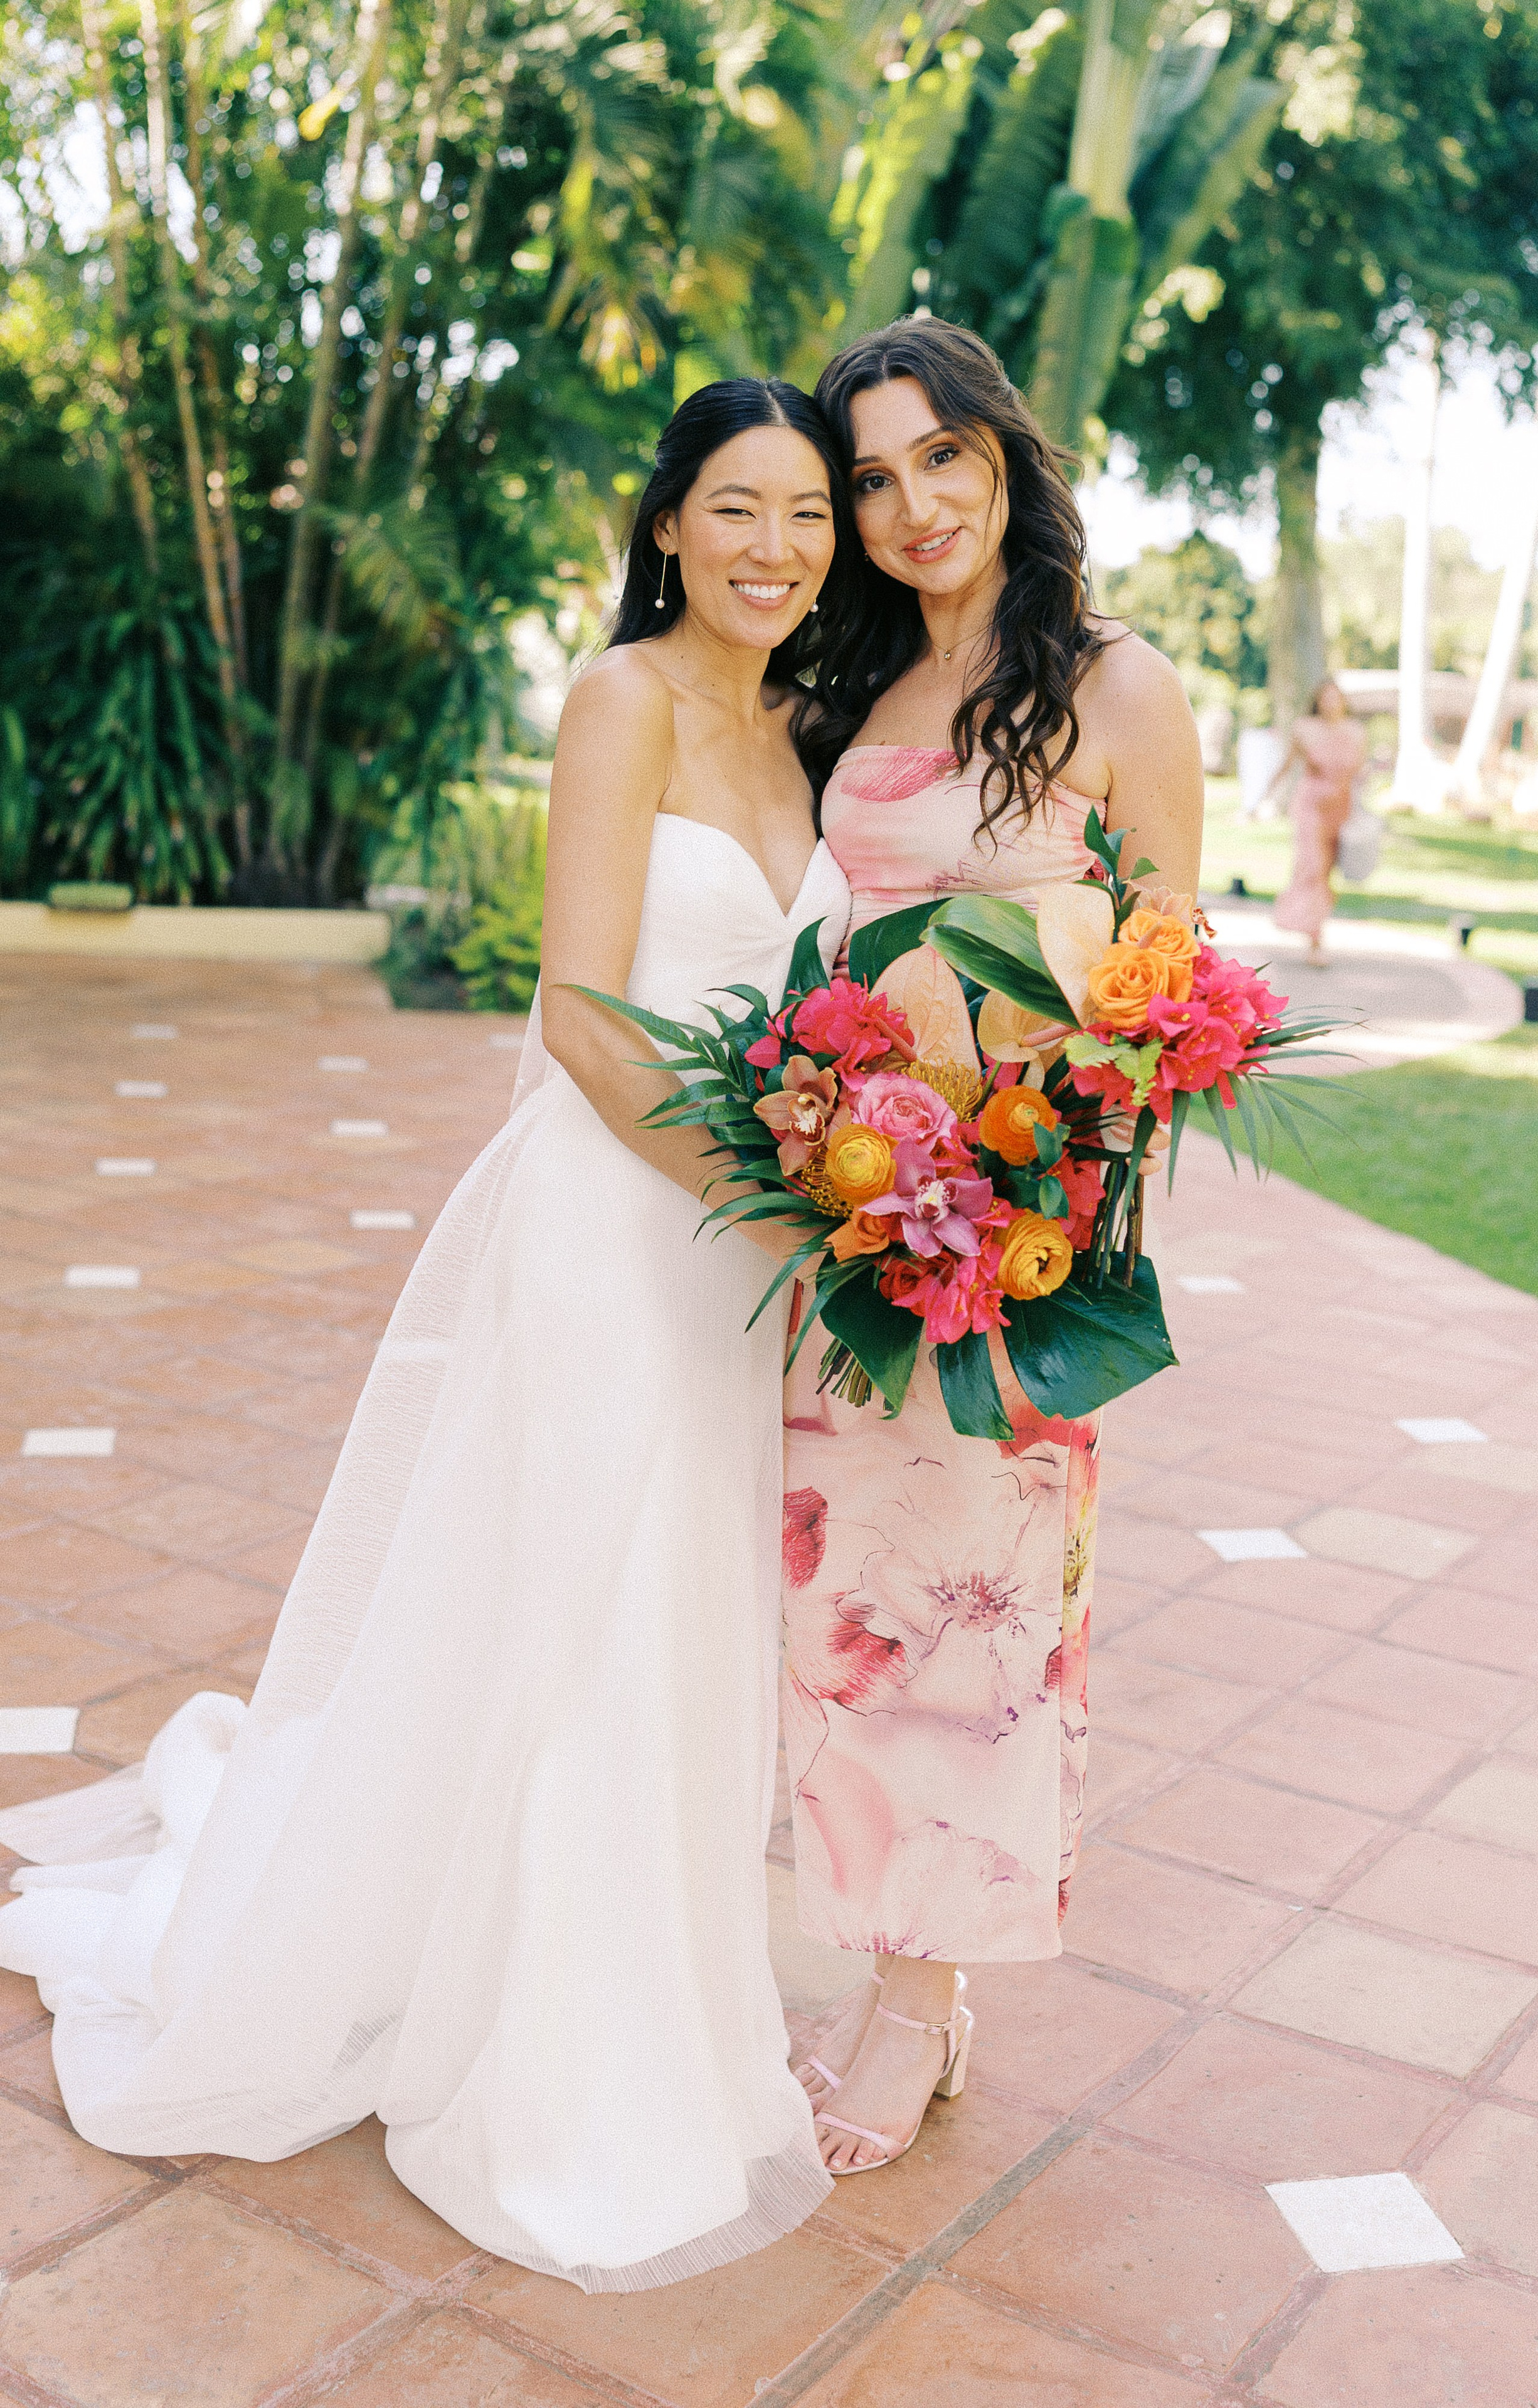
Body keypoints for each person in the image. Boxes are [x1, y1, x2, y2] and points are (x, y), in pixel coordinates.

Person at [0, 380, 856, 2291]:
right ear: (669, 524)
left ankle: (655, 1984)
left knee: (674, 1619)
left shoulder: (804, 727)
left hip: (733, 1251)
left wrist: (812, 1200)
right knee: (581, 1608)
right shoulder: (623, 698)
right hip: (619, 1221)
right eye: (737, 507)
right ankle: (553, 2059)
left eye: (806, 515)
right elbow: (575, 1008)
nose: (774, 548)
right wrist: (778, 1185)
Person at [780, 318, 1204, 2175]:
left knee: (974, 1617)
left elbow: (1167, 983)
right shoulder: (836, 690)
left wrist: (1045, 1162)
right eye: (868, 476)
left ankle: (923, 1995)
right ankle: (868, 1949)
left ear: (1007, 459)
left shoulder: (1116, 690)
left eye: (937, 457)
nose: (908, 505)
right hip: (838, 1229)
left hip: (1013, 1234)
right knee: (842, 1609)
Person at [1270, 679, 1367, 964]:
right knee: (1311, 867)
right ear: (1318, 700)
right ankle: (1315, 940)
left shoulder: (1356, 731)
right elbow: (1289, 764)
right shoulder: (1304, 728)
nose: (1331, 703)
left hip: (1341, 807)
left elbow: (1361, 772)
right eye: (1326, 697)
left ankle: (1316, 924)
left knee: (1326, 874)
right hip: (1311, 805)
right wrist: (1265, 796)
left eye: (1336, 697)